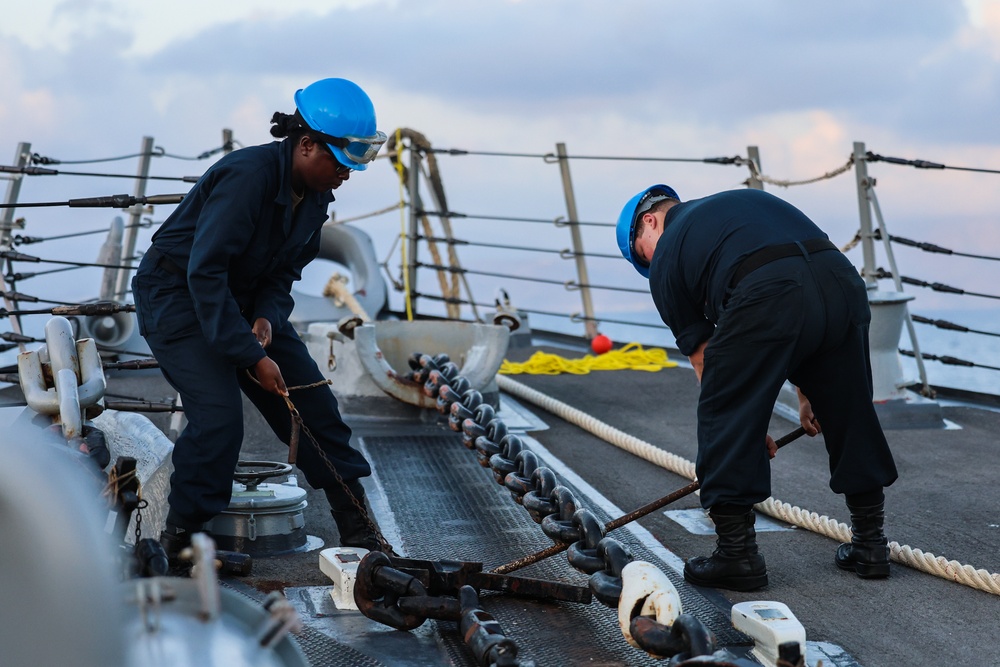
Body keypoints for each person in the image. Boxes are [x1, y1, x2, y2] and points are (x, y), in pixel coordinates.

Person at [132, 77, 389, 560]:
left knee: (314, 406)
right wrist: (250, 354)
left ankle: (358, 529)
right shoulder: (247, 177)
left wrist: (268, 317)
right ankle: (180, 546)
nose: (347, 174)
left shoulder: (314, 196)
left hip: (243, 299)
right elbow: (204, 273)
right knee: (218, 419)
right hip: (177, 296)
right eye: (341, 162)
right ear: (307, 144)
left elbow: (283, 272)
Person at [615, 185, 898, 591]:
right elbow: (799, 274)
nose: (649, 264)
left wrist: (743, 429)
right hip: (840, 281)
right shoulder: (740, 205)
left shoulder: (668, 258)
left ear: (649, 221)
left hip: (767, 290)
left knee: (721, 414)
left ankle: (737, 556)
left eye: (641, 255)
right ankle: (871, 545)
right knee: (851, 409)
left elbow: (706, 359)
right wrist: (809, 394)